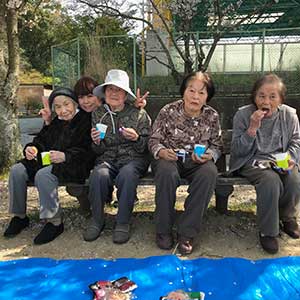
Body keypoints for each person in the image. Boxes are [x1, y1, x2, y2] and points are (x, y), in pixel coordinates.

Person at [40, 76, 148, 214]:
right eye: (81, 97)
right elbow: (58, 133)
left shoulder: (106, 109)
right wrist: (48, 121)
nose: (86, 101)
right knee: (80, 181)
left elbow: (124, 110)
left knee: (120, 171)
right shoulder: (76, 115)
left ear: (98, 96)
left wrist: (136, 105)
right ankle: (89, 206)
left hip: (108, 158)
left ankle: (116, 198)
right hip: (88, 158)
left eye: (90, 96)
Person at [3, 88, 93, 245]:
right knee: (17, 170)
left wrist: (65, 156)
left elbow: (88, 150)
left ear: (74, 104)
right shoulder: (56, 122)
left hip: (74, 164)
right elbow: (41, 140)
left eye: (66, 105)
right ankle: (19, 217)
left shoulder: (85, 120)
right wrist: (32, 149)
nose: (63, 110)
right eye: (58, 107)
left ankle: (54, 222)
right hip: (49, 161)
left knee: (44, 175)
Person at [148, 71, 222, 255]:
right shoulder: (168, 111)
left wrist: (209, 155)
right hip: (170, 158)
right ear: (183, 91)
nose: (195, 97)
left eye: (201, 93)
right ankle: (163, 230)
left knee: (209, 172)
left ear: (207, 97)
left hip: (196, 162)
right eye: (191, 90)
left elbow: (217, 144)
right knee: (166, 172)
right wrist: (162, 151)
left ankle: (187, 232)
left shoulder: (212, 116)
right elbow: (153, 140)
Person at [230, 74, 300, 254]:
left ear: (281, 99)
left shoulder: (289, 115)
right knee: (270, 180)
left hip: (280, 157)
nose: (266, 101)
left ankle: (288, 218)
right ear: (254, 97)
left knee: (293, 177)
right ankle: (268, 232)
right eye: (261, 96)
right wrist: (252, 128)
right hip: (252, 160)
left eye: (272, 96)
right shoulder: (243, 115)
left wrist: (291, 158)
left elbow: (296, 141)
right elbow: (237, 150)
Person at [83, 69, 151, 244]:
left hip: (134, 159)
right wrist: (97, 142)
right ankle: (97, 220)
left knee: (127, 174)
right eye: (110, 89)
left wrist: (136, 138)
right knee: (98, 174)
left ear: (124, 94)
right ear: (104, 93)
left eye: (118, 89)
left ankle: (122, 221)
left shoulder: (139, 113)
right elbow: (97, 151)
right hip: (108, 159)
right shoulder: (98, 114)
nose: (114, 93)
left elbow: (147, 147)